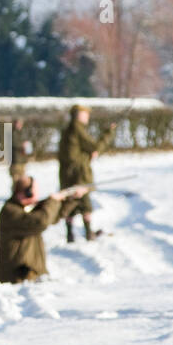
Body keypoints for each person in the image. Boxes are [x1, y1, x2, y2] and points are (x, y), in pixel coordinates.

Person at [0, 175, 85, 283]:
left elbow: (53, 215)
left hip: (29, 275)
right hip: (16, 278)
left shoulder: (26, 208)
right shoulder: (10, 211)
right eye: (35, 191)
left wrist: (72, 198)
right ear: (28, 192)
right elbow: (42, 221)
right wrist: (52, 201)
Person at [58, 104, 117, 243]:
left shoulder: (67, 130)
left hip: (66, 174)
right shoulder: (77, 129)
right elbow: (94, 146)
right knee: (85, 205)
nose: (87, 117)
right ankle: (88, 232)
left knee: (69, 204)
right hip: (79, 174)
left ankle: (70, 234)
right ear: (79, 115)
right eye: (85, 114)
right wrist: (108, 133)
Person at [8, 117, 32, 187]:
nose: (19, 125)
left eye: (20, 123)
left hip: (22, 160)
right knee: (16, 180)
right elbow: (14, 143)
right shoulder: (12, 133)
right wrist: (22, 145)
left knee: (22, 180)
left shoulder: (22, 132)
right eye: (18, 123)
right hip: (15, 161)